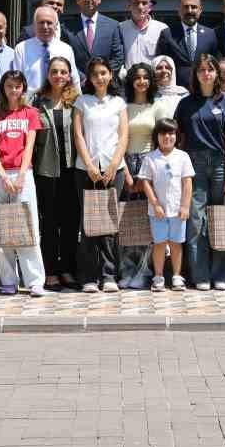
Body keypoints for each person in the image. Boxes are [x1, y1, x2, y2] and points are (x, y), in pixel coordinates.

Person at [176, 51, 225, 291]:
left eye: (210, 69)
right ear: (195, 74)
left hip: (220, 164)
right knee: (196, 221)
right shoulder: (185, 104)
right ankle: (200, 274)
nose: (206, 74)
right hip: (193, 165)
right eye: (201, 70)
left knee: (223, 218)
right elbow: (179, 139)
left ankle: (222, 274)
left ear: (216, 74)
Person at [0, 70, 46, 296]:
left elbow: (29, 147)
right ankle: (8, 280)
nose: (13, 90)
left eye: (18, 86)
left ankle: (35, 280)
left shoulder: (31, 113)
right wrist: (3, 176)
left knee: (28, 225)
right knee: (1, 227)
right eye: (9, 86)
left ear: (23, 88)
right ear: (3, 88)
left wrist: (20, 176)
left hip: (22, 174)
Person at [73, 56, 129, 292]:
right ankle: (88, 276)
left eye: (103, 73)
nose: (99, 77)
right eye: (95, 74)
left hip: (114, 169)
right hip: (86, 170)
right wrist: (90, 165)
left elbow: (123, 135)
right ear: (89, 77)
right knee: (88, 224)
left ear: (110, 75)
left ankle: (108, 275)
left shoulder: (118, 103)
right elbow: (78, 135)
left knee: (109, 223)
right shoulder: (82, 101)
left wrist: (114, 164)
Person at [29, 56, 81, 290]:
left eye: (63, 72)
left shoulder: (77, 101)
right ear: (48, 75)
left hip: (72, 170)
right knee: (48, 223)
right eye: (54, 71)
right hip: (45, 169)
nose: (59, 76)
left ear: (69, 75)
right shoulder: (36, 101)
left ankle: (67, 270)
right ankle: (50, 272)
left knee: (70, 222)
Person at [137, 118, 193, 291]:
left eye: (171, 133)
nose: (167, 137)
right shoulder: (150, 158)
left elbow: (187, 183)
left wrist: (185, 206)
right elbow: (146, 183)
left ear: (177, 136)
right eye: (163, 133)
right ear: (156, 136)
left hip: (177, 210)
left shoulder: (183, 157)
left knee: (176, 243)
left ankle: (176, 276)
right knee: (159, 243)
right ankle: (158, 277)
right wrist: (155, 204)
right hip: (157, 212)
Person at [119, 61, 161, 288]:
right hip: (126, 162)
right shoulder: (123, 107)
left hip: (150, 163)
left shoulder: (157, 106)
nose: (142, 81)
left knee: (147, 219)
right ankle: (127, 268)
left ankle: (144, 270)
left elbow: (163, 140)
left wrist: (147, 174)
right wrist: (126, 171)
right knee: (127, 218)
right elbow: (119, 140)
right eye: (137, 77)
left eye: (146, 77)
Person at [13, 5, 80, 93]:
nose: (45, 27)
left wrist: (79, 99)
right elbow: (17, 81)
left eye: (49, 23)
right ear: (34, 25)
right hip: (31, 100)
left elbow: (74, 80)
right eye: (41, 22)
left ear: (56, 26)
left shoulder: (66, 49)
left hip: (59, 99)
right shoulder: (21, 48)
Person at [64, 0, 123, 77]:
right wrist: (83, 79)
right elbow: (65, 59)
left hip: (105, 82)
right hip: (78, 82)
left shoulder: (113, 26)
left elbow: (118, 57)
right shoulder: (66, 28)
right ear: (77, 0)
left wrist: (102, 76)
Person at [160, 0, 209, 92]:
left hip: (204, 88)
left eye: (194, 7)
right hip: (176, 91)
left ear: (200, 10)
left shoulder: (210, 34)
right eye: (186, 7)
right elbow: (161, 62)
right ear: (179, 11)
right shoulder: (167, 34)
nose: (189, 10)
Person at [118, 0, 169, 70]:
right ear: (129, 6)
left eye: (144, 3)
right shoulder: (120, 28)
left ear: (150, 7)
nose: (140, 7)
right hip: (128, 77)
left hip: (153, 77)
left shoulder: (162, 29)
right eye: (136, 3)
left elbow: (167, 58)